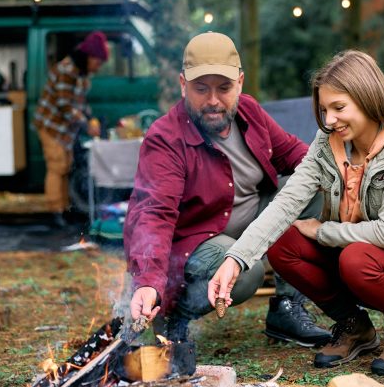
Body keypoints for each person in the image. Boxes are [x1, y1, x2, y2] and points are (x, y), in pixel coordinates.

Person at [208, 50, 384, 374]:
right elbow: (285, 203)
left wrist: (322, 231)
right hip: (357, 266)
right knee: (285, 242)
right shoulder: (328, 143)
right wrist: (235, 259)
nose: (328, 120)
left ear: (367, 98)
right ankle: (355, 327)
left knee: (355, 257)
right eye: (324, 110)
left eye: (339, 108)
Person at [126, 32, 331, 347]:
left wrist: (347, 174)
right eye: (200, 88)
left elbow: (294, 154)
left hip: (250, 225)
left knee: (313, 186)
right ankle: (176, 313)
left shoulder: (249, 111)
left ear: (240, 83)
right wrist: (148, 283)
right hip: (197, 241)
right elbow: (153, 214)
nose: (212, 101)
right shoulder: (165, 138)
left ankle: (286, 309)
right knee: (246, 275)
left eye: (223, 88)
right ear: (183, 85)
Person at [32, 31, 108, 226]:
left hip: (64, 129)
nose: (98, 68)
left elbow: (80, 103)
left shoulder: (82, 74)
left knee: (65, 165)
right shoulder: (67, 70)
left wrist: (90, 118)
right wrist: (85, 124)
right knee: (57, 166)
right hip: (51, 125)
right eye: (98, 62)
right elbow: (66, 106)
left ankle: (64, 209)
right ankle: (54, 211)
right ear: (89, 56)